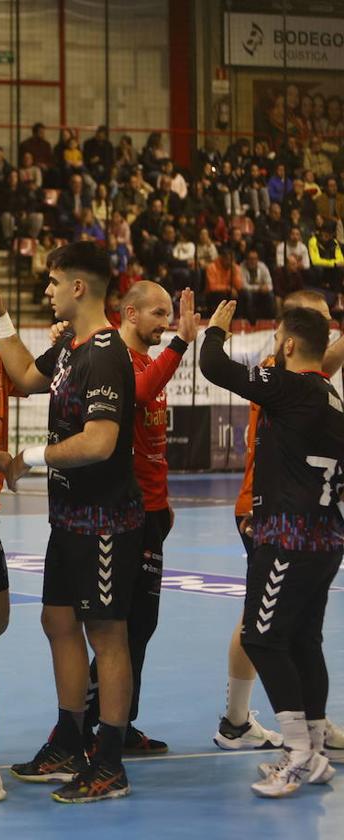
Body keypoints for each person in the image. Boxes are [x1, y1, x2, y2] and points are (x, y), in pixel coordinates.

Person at [0, 240, 143, 803]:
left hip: (105, 523)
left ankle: (110, 762)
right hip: (69, 518)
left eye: (51, 282)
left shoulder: (105, 352)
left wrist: (31, 457)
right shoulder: (71, 345)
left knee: (108, 636)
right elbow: (23, 375)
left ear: (78, 287)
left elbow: (100, 442)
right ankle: (71, 737)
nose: (45, 291)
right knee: (57, 621)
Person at [199, 299, 344, 796]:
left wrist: (215, 330)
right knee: (303, 639)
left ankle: (300, 751)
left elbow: (213, 366)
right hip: (325, 534)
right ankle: (313, 749)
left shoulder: (290, 387)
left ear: (285, 344)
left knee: (263, 639)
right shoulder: (330, 396)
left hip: (288, 534)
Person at [76, 284, 197, 757]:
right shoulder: (118, 360)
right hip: (124, 513)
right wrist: (182, 343)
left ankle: (120, 724)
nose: (164, 322)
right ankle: (90, 724)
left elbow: (154, 449)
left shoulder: (148, 359)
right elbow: (141, 393)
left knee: (140, 625)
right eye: (157, 313)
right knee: (120, 627)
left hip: (151, 511)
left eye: (169, 314)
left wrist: (163, 504)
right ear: (128, 312)